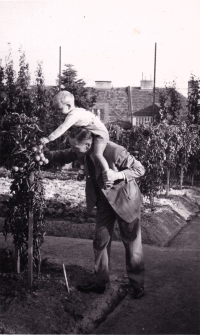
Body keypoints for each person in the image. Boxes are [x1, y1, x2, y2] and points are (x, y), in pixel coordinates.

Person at [44, 126, 145, 299]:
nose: (73, 150)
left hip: (125, 200)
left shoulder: (114, 151)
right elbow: (64, 154)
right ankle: (100, 282)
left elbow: (139, 169)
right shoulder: (82, 150)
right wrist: (46, 153)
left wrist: (117, 175)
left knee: (132, 243)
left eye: (76, 147)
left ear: (88, 143)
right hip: (104, 202)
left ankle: (137, 285)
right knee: (100, 240)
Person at [40, 90, 110, 186]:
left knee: (98, 154)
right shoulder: (76, 112)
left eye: (60, 109)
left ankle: (108, 174)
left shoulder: (74, 115)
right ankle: (82, 170)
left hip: (100, 134)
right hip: (92, 132)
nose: (58, 112)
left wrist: (49, 138)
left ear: (68, 106)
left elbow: (63, 127)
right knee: (79, 152)